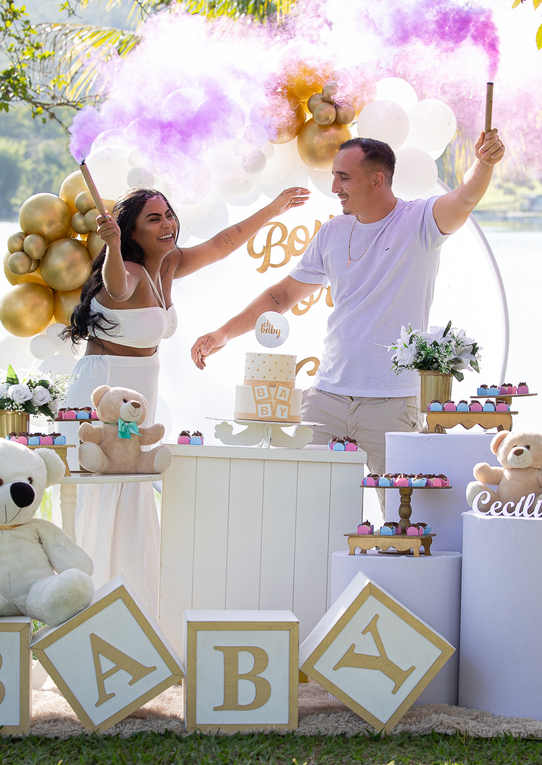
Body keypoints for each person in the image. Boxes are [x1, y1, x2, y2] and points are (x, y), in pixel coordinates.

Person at [190, 131, 505, 495]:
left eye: (344, 177)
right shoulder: (332, 232)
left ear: (377, 180)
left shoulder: (420, 220)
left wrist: (483, 163)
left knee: (401, 510)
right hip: (326, 398)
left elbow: (465, 197)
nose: (334, 187)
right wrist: (223, 334)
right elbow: (283, 295)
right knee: (302, 502)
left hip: (393, 403)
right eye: (334, 176)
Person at [61, 185, 310, 609]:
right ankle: (84, 603)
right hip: (102, 394)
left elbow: (222, 244)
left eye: (168, 215)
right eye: (153, 219)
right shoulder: (128, 269)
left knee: (131, 496)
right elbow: (117, 289)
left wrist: (274, 207)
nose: (167, 224)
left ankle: (132, 604)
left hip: (139, 394)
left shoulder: (169, 263)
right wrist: (113, 247)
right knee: (99, 496)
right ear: (131, 231)